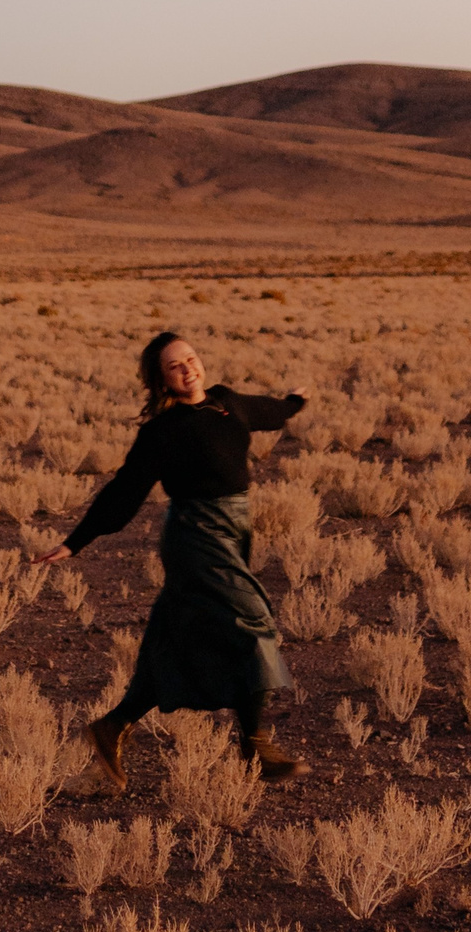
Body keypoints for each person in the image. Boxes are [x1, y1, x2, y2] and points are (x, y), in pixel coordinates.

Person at [34, 331, 307, 786]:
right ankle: (255, 745)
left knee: (179, 640)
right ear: (162, 381)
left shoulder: (227, 402)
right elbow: (124, 490)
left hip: (235, 530)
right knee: (255, 622)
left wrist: (294, 401)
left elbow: (270, 413)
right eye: (175, 366)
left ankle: (112, 725)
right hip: (196, 537)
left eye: (191, 359)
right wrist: (76, 541)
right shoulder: (162, 431)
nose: (188, 369)